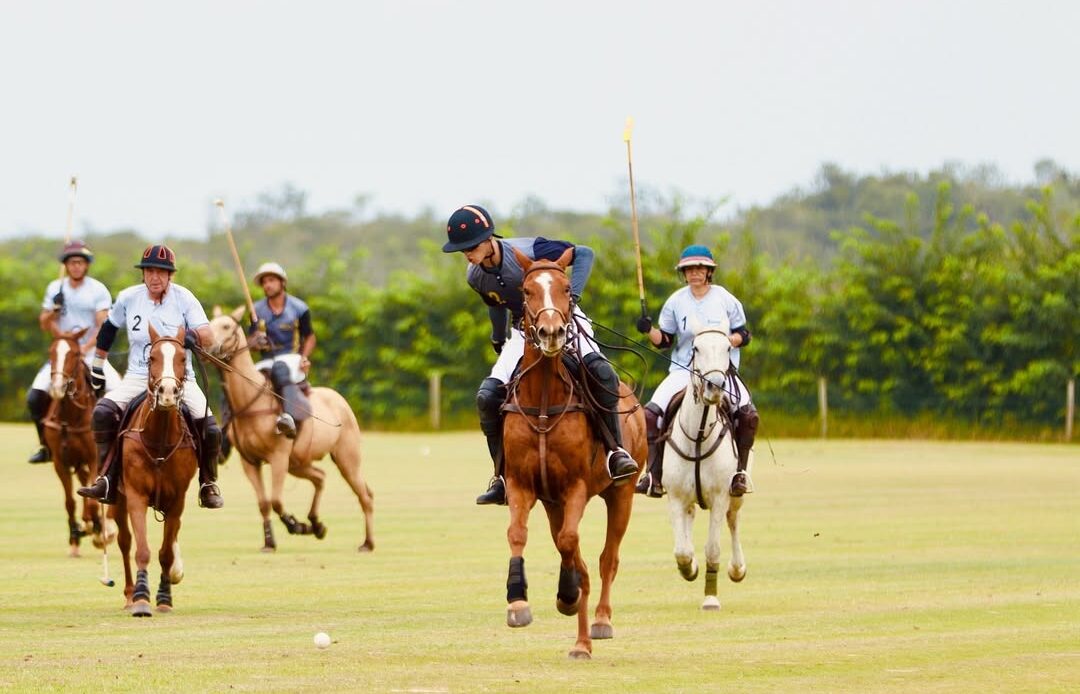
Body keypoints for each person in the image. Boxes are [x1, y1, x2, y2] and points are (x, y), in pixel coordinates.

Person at [442, 204, 639, 506]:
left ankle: (615, 452)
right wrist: (498, 337)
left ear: (488, 238)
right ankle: (502, 477)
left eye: (470, 246)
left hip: (565, 320)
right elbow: (495, 303)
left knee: (602, 373)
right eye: (461, 249)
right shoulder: (475, 276)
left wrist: (571, 297)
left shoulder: (530, 248)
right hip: (524, 331)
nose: (467, 254)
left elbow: (584, 253)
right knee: (487, 396)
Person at [77, 244, 224, 509]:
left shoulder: (184, 298)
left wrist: (191, 337)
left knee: (211, 427)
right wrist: (97, 365)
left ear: (170, 276)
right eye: (149, 271)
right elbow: (108, 330)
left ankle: (208, 482)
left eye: (161, 272)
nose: (155, 277)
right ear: (143, 274)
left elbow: (209, 336)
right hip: (138, 377)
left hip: (181, 379)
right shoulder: (128, 298)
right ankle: (107, 478)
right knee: (101, 412)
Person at [634, 244, 759, 498]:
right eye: (689, 269)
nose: (694, 273)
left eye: (700, 268)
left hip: (722, 370)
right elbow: (665, 341)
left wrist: (724, 342)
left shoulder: (724, 298)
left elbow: (744, 334)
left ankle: (740, 474)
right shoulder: (676, 301)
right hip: (683, 370)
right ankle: (653, 476)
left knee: (747, 415)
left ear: (709, 271)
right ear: (684, 273)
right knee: (650, 413)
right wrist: (649, 330)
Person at [26, 240, 122, 463]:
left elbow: (103, 325)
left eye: (80, 262)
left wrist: (84, 348)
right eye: (72, 262)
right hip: (62, 354)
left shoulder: (97, 289)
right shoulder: (54, 288)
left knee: (116, 390)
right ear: (66, 266)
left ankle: (115, 443)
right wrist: (55, 310)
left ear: (86, 265)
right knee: (34, 396)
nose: (76, 266)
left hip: (89, 352)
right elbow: (44, 323)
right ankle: (46, 446)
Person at [246, 261, 315, 439]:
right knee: (241, 381)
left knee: (280, 368)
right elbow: (249, 343)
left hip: (291, 358)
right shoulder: (256, 310)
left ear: (282, 282)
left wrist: (304, 357)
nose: (267, 285)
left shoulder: (299, 308)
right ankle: (229, 433)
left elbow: (310, 337)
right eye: (264, 282)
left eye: (271, 280)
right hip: (265, 360)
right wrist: (255, 342)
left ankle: (288, 418)